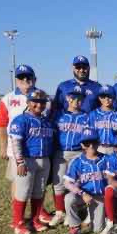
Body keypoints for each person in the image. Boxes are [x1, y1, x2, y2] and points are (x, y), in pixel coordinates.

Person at [0, 64, 51, 223]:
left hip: (39, 150)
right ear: (16, 80)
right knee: (19, 185)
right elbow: (1, 123)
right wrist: (3, 146)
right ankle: (18, 218)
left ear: (35, 79)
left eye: (29, 77)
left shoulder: (45, 98)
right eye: (21, 77)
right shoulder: (8, 98)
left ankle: (38, 213)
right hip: (18, 151)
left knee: (38, 186)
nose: (25, 80)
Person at [8, 89, 54, 234]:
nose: (38, 105)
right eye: (35, 102)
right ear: (28, 102)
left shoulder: (46, 121)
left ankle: (35, 220)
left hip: (44, 159)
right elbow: (16, 143)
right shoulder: (21, 120)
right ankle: (18, 223)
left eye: (42, 102)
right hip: (27, 160)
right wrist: (20, 162)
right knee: (22, 192)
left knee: (39, 192)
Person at [51, 86, 89, 226]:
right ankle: (60, 213)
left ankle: (72, 212)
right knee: (59, 183)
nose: (77, 100)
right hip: (60, 152)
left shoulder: (85, 116)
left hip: (77, 152)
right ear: (68, 98)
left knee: (75, 183)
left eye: (80, 98)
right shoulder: (59, 115)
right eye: (74, 97)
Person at [63, 128, 108, 234]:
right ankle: (75, 227)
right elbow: (67, 183)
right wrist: (82, 193)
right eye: (88, 143)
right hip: (84, 195)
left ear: (99, 142)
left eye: (94, 142)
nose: (91, 146)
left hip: (100, 198)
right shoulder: (77, 161)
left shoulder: (107, 159)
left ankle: (108, 216)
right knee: (69, 198)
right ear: (82, 145)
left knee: (97, 230)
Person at [88, 85, 117, 155]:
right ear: (99, 98)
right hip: (98, 147)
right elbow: (89, 134)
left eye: (109, 96)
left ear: (114, 97)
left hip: (113, 148)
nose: (106, 99)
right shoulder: (93, 114)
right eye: (103, 97)